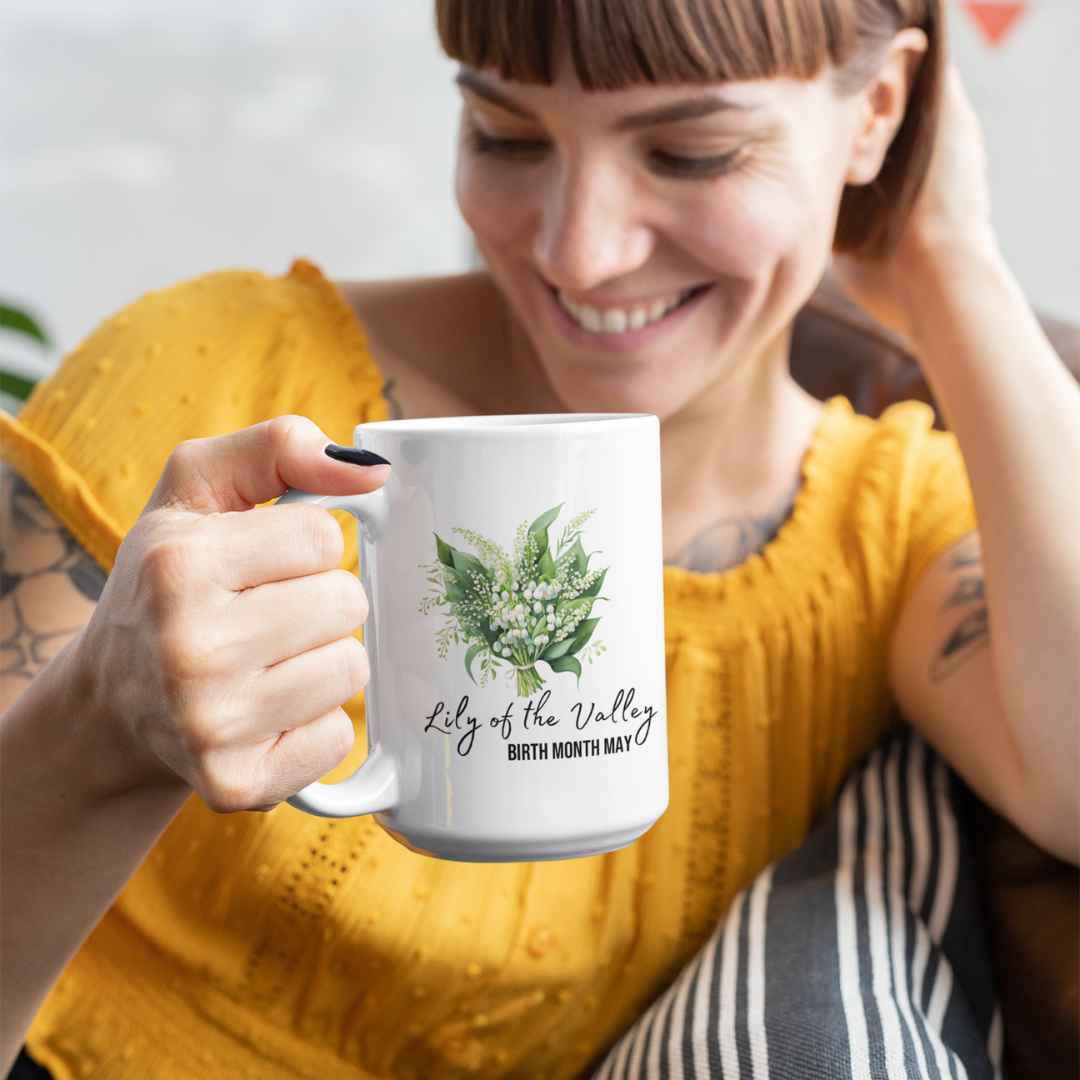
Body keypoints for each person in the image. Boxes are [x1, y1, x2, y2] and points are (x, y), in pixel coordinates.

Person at [2, 0, 1077, 1077]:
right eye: (507, 136)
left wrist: (949, 266)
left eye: (691, 152)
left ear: (876, 110)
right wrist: (100, 725)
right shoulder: (212, 375)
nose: (579, 252)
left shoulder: (887, 528)